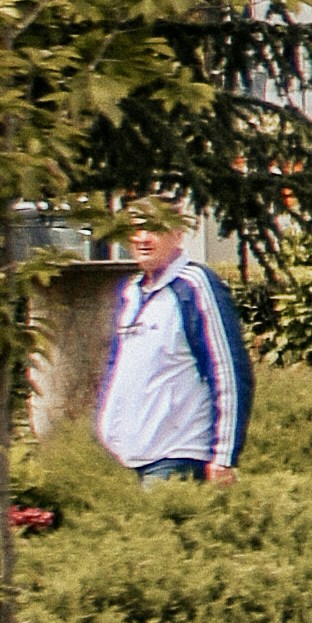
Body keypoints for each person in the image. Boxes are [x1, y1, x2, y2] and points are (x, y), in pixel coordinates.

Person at [96, 206, 247, 492]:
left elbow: (228, 370)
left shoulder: (195, 285)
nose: (143, 238)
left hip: (178, 455)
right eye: (137, 229)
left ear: (178, 234)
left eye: (155, 229)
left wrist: (224, 457)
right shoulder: (131, 291)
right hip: (130, 456)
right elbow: (117, 369)